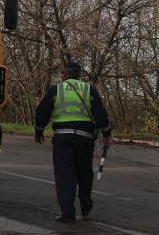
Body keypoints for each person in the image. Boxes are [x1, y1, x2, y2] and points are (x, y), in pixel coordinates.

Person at [34, 61, 112, 224]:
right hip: (84, 138)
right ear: (79, 74)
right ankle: (85, 205)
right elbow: (100, 114)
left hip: (63, 138)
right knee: (84, 173)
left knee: (64, 175)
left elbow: (42, 111)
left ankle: (67, 214)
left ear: (65, 74)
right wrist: (106, 132)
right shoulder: (89, 89)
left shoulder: (56, 90)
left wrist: (39, 130)